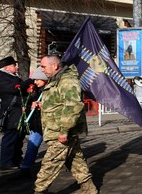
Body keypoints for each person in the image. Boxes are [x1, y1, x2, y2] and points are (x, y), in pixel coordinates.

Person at [33, 55, 97, 194]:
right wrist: (43, 104)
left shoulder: (67, 81)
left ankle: (39, 191)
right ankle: (89, 189)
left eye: (43, 66)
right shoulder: (57, 80)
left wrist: (64, 131)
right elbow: (59, 102)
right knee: (75, 160)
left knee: (50, 163)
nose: (42, 70)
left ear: (55, 66)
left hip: (61, 131)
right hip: (59, 128)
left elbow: (73, 105)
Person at [18, 67, 48, 177]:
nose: (35, 82)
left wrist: (43, 105)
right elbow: (22, 87)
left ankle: (72, 166)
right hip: (37, 124)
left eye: (37, 79)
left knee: (58, 148)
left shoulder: (52, 89)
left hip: (50, 124)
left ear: (44, 78)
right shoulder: (36, 89)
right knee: (32, 146)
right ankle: (25, 169)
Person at [0, 56, 24, 171]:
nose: (16, 67)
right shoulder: (1, 80)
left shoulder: (13, 78)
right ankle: (6, 162)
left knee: (18, 137)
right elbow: (15, 89)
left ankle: (16, 159)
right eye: (14, 65)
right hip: (10, 114)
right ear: (6, 68)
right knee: (10, 137)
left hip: (17, 113)